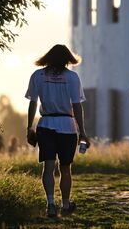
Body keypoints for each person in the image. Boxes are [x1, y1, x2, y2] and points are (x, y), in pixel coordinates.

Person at [25, 44, 91, 218]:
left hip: (45, 124)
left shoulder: (38, 75)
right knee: (65, 168)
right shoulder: (72, 77)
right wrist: (82, 131)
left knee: (48, 166)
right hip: (67, 126)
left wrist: (29, 127)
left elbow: (33, 103)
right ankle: (66, 204)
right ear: (67, 59)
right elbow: (77, 106)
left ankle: (50, 204)